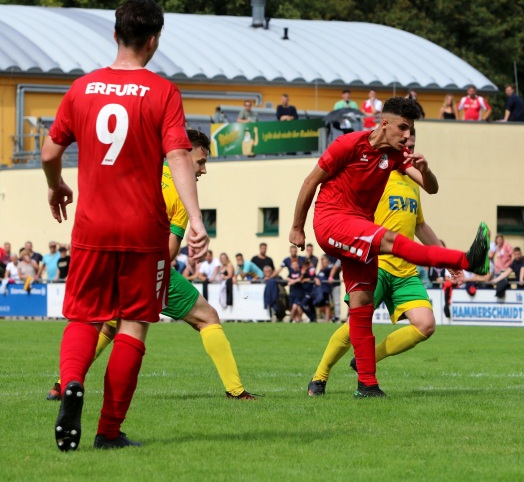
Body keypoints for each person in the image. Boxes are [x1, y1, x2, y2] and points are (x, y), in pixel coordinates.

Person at [41, 0, 209, 451]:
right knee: (133, 324)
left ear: (115, 35)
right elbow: (178, 156)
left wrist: (56, 186)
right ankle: (109, 431)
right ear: (154, 40)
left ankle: (72, 381)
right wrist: (195, 219)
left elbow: (48, 152)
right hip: (143, 230)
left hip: (92, 228)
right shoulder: (162, 92)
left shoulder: (81, 89)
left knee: (84, 315)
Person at [290, 96, 489, 398]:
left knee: (361, 307)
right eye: (403, 129)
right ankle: (466, 259)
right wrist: (296, 227)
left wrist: (426, 168)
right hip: (333, 221)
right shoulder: (348, 144)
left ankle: (366, 385)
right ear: (384, 123)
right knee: (393, 242)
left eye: (411, 132)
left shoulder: (398, 160)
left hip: (370, 242)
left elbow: (430, 188)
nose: (408, 137)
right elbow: (310, 182)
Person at [47, 130, 256, 407]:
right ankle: (236, 391)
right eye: (201, 162)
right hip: (148, 267)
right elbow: (169, 250)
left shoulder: (143, 169)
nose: (203, 170)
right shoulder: (182, 193)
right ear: (184, 153)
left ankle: (63, 385)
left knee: (109, 326)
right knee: (207, 317)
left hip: (111, 258)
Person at [307, 128, 462, 395]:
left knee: (426, 325)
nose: (407, 147)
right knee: (352, 327)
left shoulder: (413, 182)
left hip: (405, 272)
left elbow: (420, 225)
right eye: (404, 142)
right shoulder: (378, 172)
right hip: (376, 263)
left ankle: (366, 361)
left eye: (411, 144)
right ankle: (319, 377)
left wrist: (445, 259)